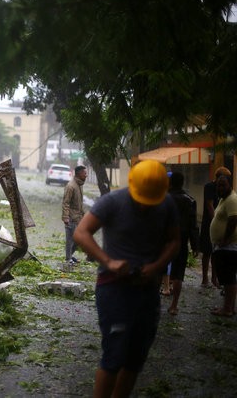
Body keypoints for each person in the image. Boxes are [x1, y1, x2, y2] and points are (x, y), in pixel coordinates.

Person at [73, 160, 180, 398]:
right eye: (141, 200)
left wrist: (156, 267)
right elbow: (81, 232)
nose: (145, 206)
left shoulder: (167, 204)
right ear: (131, 186)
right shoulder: (113, 202)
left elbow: (174, 241)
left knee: (135, 357)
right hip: (114, 289)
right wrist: (108, 262)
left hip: (147, 290)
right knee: (114, 354)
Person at [166, 171, 198, 315]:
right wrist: (195, 244)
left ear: (170, 183)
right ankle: (174, 305)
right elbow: (193, 225)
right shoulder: (190, 200)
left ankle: (152, 303)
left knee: (160, 270)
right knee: (178, 274)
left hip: (164, 241)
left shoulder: (164, 199)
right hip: (181, 241)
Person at [209, 174, 237, 317]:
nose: (219, 188)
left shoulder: (232, 199)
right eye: (218, 185)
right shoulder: (223, 199)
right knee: (228, 279)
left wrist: (225, 240)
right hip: (223, 247)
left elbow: (233, 220)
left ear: (229, 185)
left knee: (228, 278)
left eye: (223, 185)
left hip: (229, 247)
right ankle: (230, 307)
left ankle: (227, 309)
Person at [199, 166, 232, 287]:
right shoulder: (209, 187)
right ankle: (204, 279)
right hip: (209, 222)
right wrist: (215, 221)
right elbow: (209, 205)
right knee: (207, 251)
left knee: (216, 252)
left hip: (219, 223)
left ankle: (214, 278)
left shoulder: (225, 188)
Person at [62, 165, 87, 264]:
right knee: (70, 239)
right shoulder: (71, 186)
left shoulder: (79, 185)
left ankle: (71, 256)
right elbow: (65, 202)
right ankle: (68, 259)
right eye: (85, 173)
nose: (86, 175)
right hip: (71, 218)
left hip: (79, 218)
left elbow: (79, 203)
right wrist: (65, 217)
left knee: (78, 240)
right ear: (79, 174)